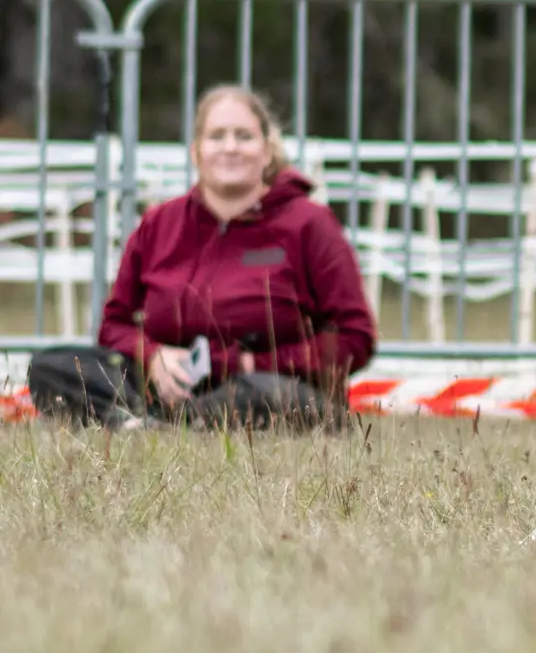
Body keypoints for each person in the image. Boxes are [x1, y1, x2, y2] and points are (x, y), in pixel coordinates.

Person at [27, 85, 378, 431]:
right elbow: (114, 325)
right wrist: (154, 358)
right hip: (164, 387)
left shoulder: (310, 224)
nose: (230, 147)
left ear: (268, 151)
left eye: (244, 136)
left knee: (265, 395)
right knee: (52, 367)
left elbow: (355, 338)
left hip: (267, 387)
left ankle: (153, 425)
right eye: (216, 136)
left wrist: (250, 364)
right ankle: (154, 423)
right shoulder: (158, 223)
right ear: (196, 152)